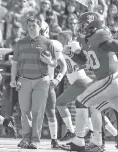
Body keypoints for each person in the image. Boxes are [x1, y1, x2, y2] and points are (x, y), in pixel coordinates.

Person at [60, 12, 118, 152]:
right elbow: (85, 61)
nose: (81, 28)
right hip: (108, 79)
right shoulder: (90, 39)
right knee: (95, 107)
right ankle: (97, 143)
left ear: (92, 25)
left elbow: (114, 45)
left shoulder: (100, 35)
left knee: (81, 101)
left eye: (83, 25)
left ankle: (78, 141)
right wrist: (71, 55)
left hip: (109, 78)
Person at [10, 16, 59, 149]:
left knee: (38, 112)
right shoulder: (20, 43)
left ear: (40, 26)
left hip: (41, 81)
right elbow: (14, 63)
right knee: (25, 111)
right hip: (23, 80)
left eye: (34, 26)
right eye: (29, 25)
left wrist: (49, 62)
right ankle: (25, 138)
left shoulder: (48, 43)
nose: (31, 28)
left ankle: (35, 140)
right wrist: (12, 79)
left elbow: (55, 63)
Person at [40, 21, 67, 149]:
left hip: (47, 83)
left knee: (50, 112)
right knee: (30, 112)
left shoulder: (52, 45)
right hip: (32, 82)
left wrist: (57, 79)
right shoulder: (29, 44)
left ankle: (54, 139)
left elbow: (64, 66)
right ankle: (29, 138)